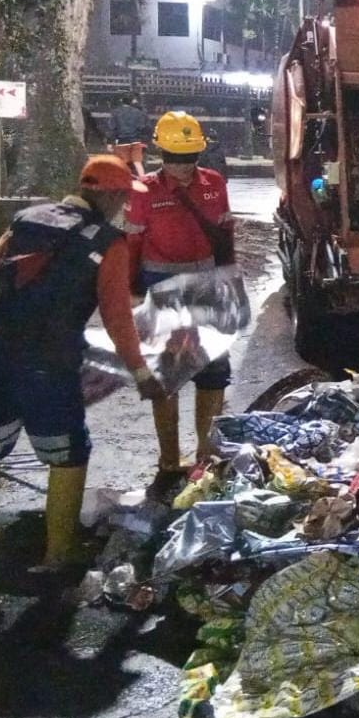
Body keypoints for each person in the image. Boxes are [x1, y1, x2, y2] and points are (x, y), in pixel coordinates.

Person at [0, 155, 167, 569]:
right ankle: (57, 553)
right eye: (123, 197)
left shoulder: (26, 218)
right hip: (48, 364)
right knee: (68, 453)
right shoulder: (108, 243)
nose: (126, 205)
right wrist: (141, 372)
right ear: (106, 195)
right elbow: (117, 319)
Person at [125, 110, 235, 485]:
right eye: (175, 157)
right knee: (167, 377)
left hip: (205, 285)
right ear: (161, 153)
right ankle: (169, 459)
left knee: (213, 373)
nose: (183, 166)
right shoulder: (145, 192)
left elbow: (224, 233)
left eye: (190, 157)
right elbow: (132, 242)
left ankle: (206, 456)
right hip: (162, 287)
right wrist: (131, 289)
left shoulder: (214, 184)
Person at [110, 93, 151, 177]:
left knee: (122, 162)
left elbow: (113, 128)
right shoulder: (139, 112)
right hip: (136, 140)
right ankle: (142, 179)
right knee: (137, 163)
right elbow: (143, 126)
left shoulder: (116, 112)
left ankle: (121, 180)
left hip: (122, 140)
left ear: (122, 101)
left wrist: (110, 141)